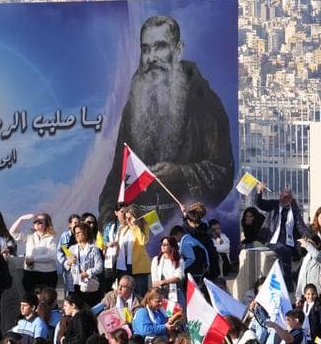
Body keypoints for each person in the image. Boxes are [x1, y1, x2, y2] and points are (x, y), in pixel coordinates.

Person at [99, 15, 234, 219]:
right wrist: (108, 220)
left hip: (181, 223)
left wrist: (180, 174)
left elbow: (223, 172)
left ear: (177, 50)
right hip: (135, 227)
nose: (151, 57)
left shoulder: (204, 102)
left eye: (160, 46)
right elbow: (119, 172)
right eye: (146, 49)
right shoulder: (134, 106)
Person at [255, 184, 306, 291]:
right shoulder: (273, 204)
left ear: (291, 199)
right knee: (285, 250)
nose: (285, 199)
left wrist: (308, 238)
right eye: (283, 196)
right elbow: (259, 203)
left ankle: (297, 276)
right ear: (280, 196)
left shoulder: (294, 210)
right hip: (273, 240)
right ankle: (288, 282)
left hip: (290, 241)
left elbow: (301, 226)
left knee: (305, 250)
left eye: (288, 197)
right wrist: (259, 192)